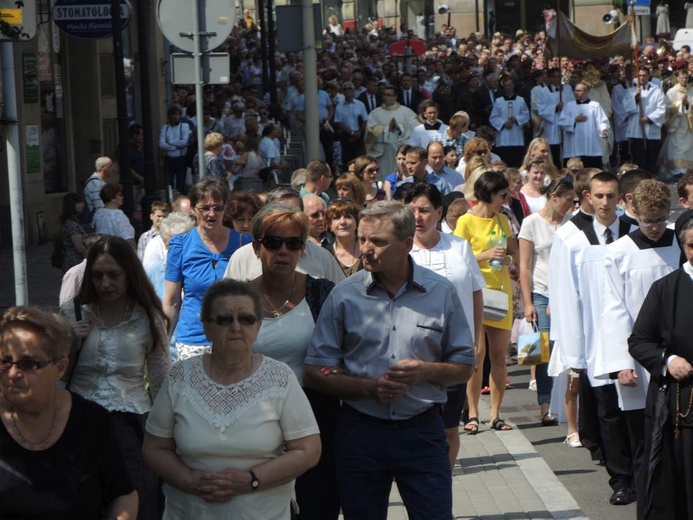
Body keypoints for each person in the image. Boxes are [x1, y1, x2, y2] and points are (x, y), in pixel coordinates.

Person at [304, 201, 475, 520]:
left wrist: (425, 371)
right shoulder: (344, 296)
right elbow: (317, 370)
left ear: (407, 244)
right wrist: (368, 388)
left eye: (378, 242)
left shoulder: (440, 292)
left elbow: (465, 366)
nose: (365, 249)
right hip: (360, 433)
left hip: (422, 431)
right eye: (363, 239)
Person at [143, 279, 321, 519]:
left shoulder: (280, 377)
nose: (236, 327)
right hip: (189, 511)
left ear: (258, 327)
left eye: (246, 319)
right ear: (207, 327)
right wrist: (188, 480)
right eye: (225, 319)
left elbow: (308, 450)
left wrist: (252, 480)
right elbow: (154, 447)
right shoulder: (180, 377)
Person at [59, 235, 172, 520]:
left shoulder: (148, 315)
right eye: (97, 276)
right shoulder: (72, 311)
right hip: (77, 422)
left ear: (129, 273)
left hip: (130, 424)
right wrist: (69, 344)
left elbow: (160, 376)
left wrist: (167, 433)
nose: (105, 283)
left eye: (113, 274)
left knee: (136, 500)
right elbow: (53, 375)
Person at [246, 205, 340, 519]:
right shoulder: (237, 298)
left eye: (293, 243)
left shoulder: (322, 293)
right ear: (257, 247)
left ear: (303, 249)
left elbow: (345, 353)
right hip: (254, 420)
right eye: (273, 242)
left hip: (314, 417)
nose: (283, 251)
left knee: (317, 507)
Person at [0, 306, 138, 518]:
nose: (13, 373)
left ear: (60, 367)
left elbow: (123, 495)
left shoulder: (91, 421)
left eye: (28, 363)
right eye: (5, 361)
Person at [550, 172, 637, 506]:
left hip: (631, 338)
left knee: (635, 410)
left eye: (611, 196)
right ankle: (621, 478)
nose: (604, 203)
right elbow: (564, 296)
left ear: (621, 198)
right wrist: (574, 352)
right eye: (599, 196)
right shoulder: (571, 236)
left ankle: (641, 471)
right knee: (607, 412)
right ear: (587, 196)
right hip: (594, 339)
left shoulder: (632, 233)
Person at [593, 180, 679, 515]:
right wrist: (619, 364)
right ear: (634, 213)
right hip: (639, 358)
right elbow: (613, 309)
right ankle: (649, 504)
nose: (655, 228)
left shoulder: (682, 244)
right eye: (648, 221)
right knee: (646, 439)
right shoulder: (619, 254)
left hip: (682, 350)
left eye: (660, 219)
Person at [405, 183, 485, 468]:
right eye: (412, 210)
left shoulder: (459, 247)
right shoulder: (399, 251)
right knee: (419, 425)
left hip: (454, 352)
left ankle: (443, 481)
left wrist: (477, 341)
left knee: (450, 426)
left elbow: (476, 293)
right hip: (413, 352)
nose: (418, 217)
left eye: (425, 211)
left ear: (439, 213)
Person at [628, 211, 693, 519]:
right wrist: (668, 361)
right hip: (682, 410)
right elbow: (639, 341)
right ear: (685, 247)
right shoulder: (666, 289)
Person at [455, 171, 519, 433]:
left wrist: (507, 261)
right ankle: (472, 413)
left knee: (499, 357)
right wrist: (484, 256)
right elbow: (459, 257)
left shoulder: (503, 220)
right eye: (502, 195)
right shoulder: (465, 221)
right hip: (475, 293)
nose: (505, 199)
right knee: (477, 355)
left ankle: (495, 414)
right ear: (488, 193)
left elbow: (514, 254)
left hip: (500, 293)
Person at [163, 178, 252, 360]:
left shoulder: (244, 244)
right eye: (205, 208)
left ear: (225, 208)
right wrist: (163, 343)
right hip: (193, 340)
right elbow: (171, 301)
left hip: (236, 336)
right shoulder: (180, 245)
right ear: (194, 209)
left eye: (217, 207)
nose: (211, 214)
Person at [518, 177, 577, 427]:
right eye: (568, 200)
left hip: (565, 292)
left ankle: (564, 403)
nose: (572, 205)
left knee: (564, 347)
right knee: (542, 349)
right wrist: (527, 303)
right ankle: (545, 405)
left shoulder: (571, 223)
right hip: (541, 292)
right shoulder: (531, 222)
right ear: (555, 198)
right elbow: (525, 266)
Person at [224, 189, 346, 284]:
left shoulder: (322, 258)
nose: (283, 251)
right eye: (280, 213)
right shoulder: (242, 258)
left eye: (293, 213)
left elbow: (341, 299)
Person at [365, 85, 418, 181]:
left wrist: (398, 129)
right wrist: (386, 129)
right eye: (384, 95)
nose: (385, 97)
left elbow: (415, 129)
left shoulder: (406, 112)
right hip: (383, 152)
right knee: (383, 177)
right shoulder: (375, 113)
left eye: (388, 95)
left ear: (395, 97)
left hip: (401, 151)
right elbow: (369, 135)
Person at [624, 68, 666, 175]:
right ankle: (640, 177)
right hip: (637, 130)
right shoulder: (630, 91)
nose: (641, 78)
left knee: (652, 156)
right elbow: (626, 108)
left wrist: (649, 119)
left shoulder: (657, 91)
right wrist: (635, 98)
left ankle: (652, 176)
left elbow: (661, 109)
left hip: (651, 129)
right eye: (639, 76)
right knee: (639, 156)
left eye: (644, 75)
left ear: (648, 76)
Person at [557, 83, 610, 168]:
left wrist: (603, 129)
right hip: (574, 146)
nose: (576, 93)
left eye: (579, 91)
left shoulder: (595, 105)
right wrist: (574, 119)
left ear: (586, 91)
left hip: (592, 147)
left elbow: (601, 121)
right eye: (575, 90)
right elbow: (562, 121)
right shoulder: (569, 106)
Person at [537, 67, 575, 166]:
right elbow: (541, 109)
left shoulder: (568, 89)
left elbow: (573, 104)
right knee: (555, 150)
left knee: (567, 149)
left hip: (566, 122)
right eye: (555, 77)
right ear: (550, 78)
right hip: (553, 123)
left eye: (559, 76)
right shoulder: (543, 92)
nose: (557, 79)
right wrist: (555, 107)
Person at [490, 77, 530, 167]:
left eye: (509, 85)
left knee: (516, 162)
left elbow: (526, 115)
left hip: (517, 136)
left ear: (513, 85)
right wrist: (503, 123)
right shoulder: (499, 101)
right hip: (503, 138)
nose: (508, 87)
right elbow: (493, 117)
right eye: (506, 85)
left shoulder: (520, 100)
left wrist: (516, 119)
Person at [661, 69, 693, 179]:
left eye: (686, 78)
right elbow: (668, 108)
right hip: (676, 124)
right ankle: (675, 170)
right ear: (678, 78)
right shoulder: (672, 91)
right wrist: (680, 104)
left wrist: (688, 104)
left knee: (687, 148)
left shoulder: (691, 90)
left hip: (688, 124)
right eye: (682, 78)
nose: (684, 80)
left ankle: (685, 170)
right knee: (676, 148)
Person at [325, 199, 363, 277]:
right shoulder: (325, 254)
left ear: (357, 222)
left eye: (348, 217)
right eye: (336, 218)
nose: (342, 222)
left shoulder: (367, 250)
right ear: (329, 225)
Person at [159, 105, 191, 193]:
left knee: (181, 185)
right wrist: (175, 146)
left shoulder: (184, 126)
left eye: (177, 114)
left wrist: (169, 143)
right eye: (173, 114)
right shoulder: (165, 128)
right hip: (169, 159)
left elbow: (184, 142)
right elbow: (161, 144)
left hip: (181, 159)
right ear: (169, 116)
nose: (175, 116)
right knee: (168, 185)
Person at [92, 184, 136, 248]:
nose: (122, 197)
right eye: (120, 195)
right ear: (112, 197)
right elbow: (129, 240)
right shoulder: (117, 215)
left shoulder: (98, 214)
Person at [335, 81, 368, 165]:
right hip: (346, 137)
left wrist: (359, 133)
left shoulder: (360, 104)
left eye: (349, 89)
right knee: (348, 161)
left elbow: (365, 120)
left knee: (361, 160)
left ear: (353, 91)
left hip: (359, 135)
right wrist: (352, 133)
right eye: (345, 89)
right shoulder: (339, 107)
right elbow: (339, 123)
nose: (347, 91)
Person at [59, 192, 88, 273]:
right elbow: (79, 248)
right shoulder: (71, 225)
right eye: (79, 203)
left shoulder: (72, 222)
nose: (83, 205)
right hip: (75, 261)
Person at [82, 156, 112, 226]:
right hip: (100, 224)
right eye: (110, 166)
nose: (112, 168)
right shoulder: (96, 184)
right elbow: (100, 209)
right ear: (102, 168)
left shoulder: (97, 182)